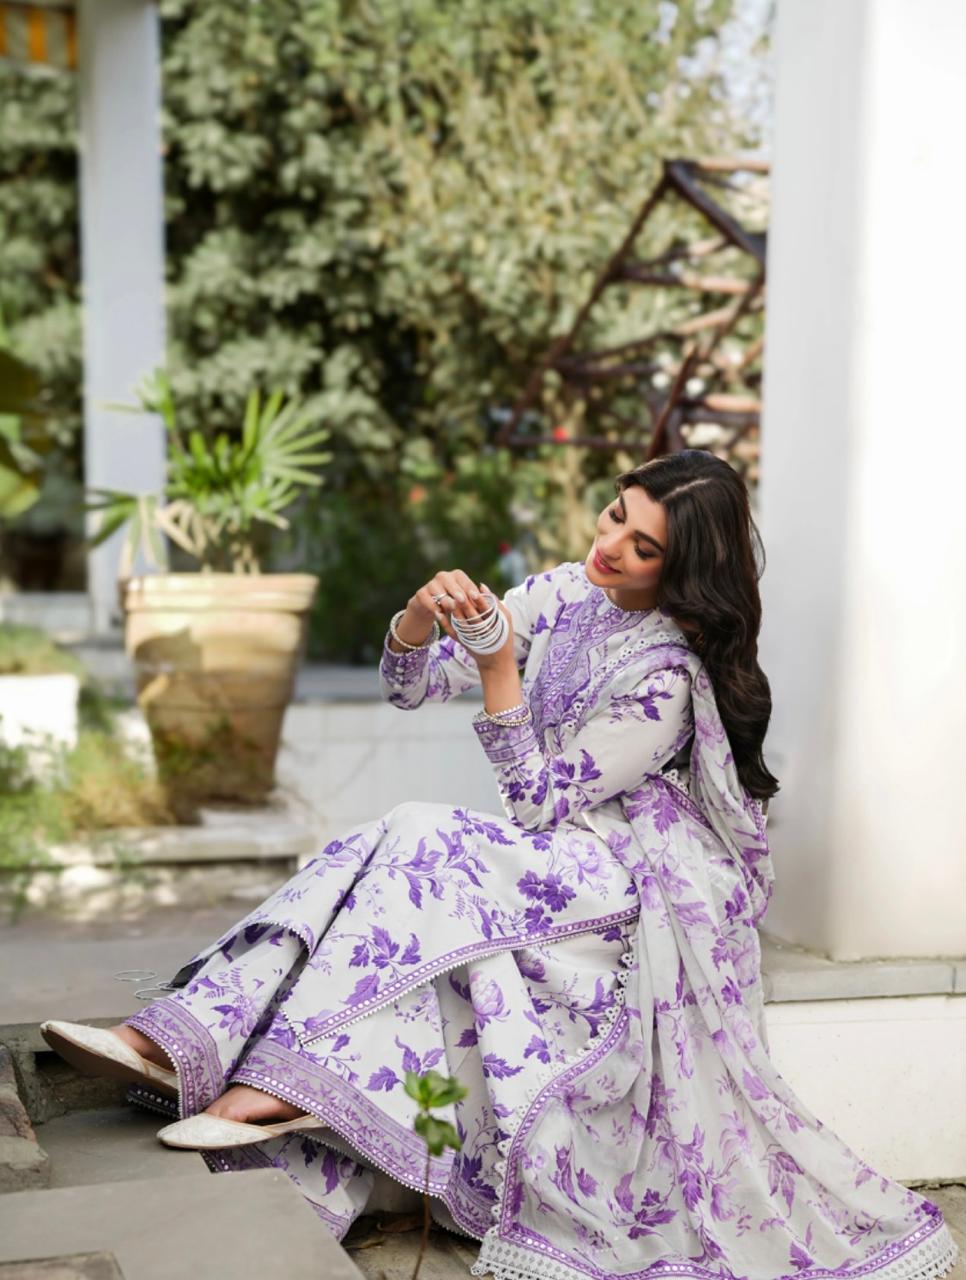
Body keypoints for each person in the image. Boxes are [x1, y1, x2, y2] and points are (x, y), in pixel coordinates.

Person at [41, 451, 957, 1279]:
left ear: (680, 571)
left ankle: (258, 1081)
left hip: (625, 873)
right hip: (555, 851)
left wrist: (498, 667)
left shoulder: (667, 678)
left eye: (643, 547)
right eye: (616, 516)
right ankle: (178, 1042)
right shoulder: (565, 592)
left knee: (418, 835)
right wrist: (419, 618)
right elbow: (408, 685)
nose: (611, 547)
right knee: (379, 846)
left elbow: (538, 800)